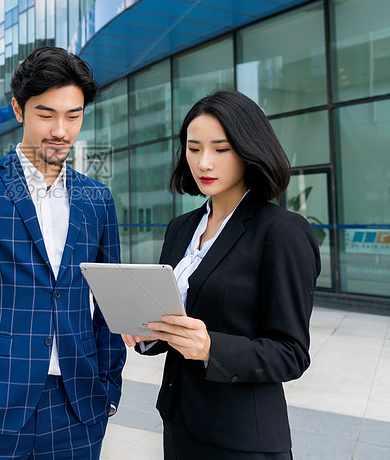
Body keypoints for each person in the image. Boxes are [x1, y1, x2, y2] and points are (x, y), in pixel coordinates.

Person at [0, 47, 126, 459]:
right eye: (46, 114)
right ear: (19, 109)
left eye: (73, 115)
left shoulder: (97, 198)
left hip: (76, 410)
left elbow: (110, 304)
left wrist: (108, 390)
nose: (61, 130)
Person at [122, 89, 320, 459]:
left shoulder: (282, 231)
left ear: (249, 150)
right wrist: (147, 332)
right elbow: (178, 325)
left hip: (242, 438)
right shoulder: (181, 228)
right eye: (194, 149)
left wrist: (211, 347)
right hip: (179, 425)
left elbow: (291, 353)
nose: (204, 163)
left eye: (221, 149)